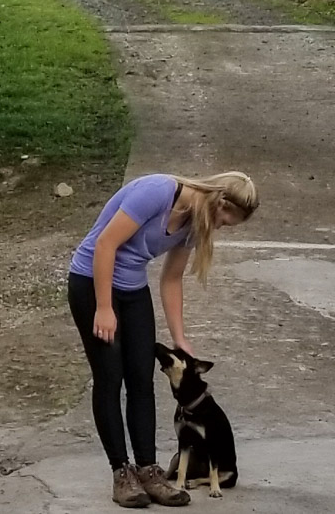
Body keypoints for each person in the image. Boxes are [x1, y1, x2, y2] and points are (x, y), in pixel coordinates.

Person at [68, 171, 258, 508]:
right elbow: (105, 244)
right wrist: (103, 307)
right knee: (110, 377)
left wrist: (180, 338)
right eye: (227, 220)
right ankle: (121, 473)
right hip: (92, 282)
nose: (222, 227)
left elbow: (171, 279)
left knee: (142, 378)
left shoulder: (194, 224)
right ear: (221, 202)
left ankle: (148, 470)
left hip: (132, 289)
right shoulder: (158, 192)